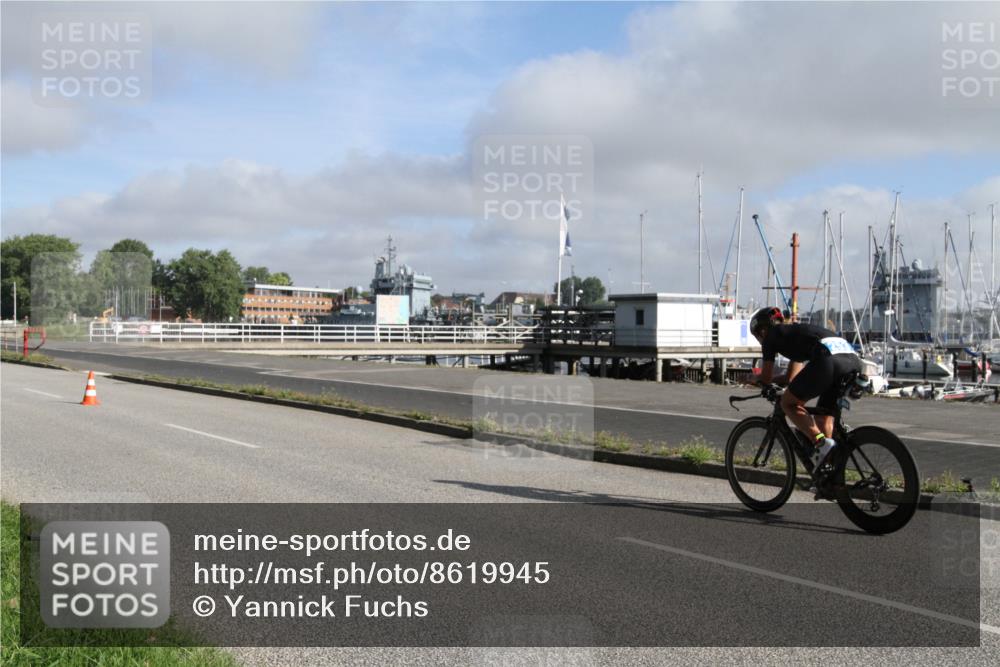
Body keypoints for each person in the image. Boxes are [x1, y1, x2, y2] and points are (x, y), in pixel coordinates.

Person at [749, 306, 862, 470]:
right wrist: (774, 381)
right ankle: (830, 471)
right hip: (852, 360)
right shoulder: (795, 333)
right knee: (824, 417)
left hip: (828, 361)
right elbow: (791, 378)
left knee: (788, 403)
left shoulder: (770, 336)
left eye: (756, 337)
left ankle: (820, 442)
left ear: (762, 330)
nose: (759, 341)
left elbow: (765, 378)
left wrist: (751, 378)